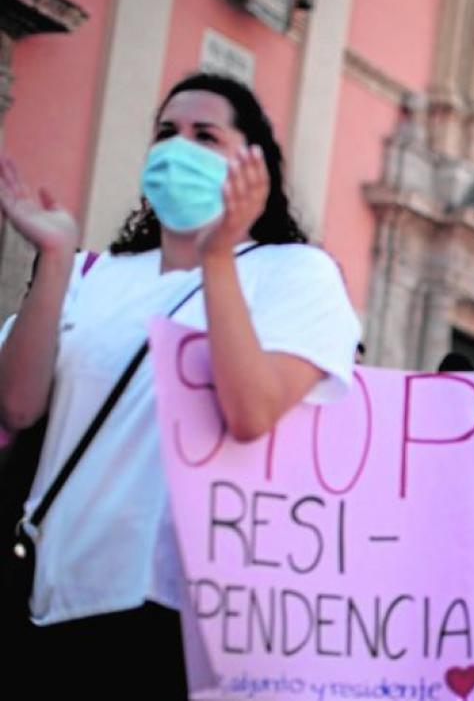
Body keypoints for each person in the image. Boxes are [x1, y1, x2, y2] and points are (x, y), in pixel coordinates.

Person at [0, 73, 360, 695]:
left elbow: (251, 411)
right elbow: (17, 404)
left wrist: (216, 256)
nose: (177, 148)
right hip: (52, 598)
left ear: (253, 163)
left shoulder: (294, 273)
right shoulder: (96, 273)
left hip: (178, 620)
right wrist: (55, 262)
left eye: (204, 136)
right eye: (166, 133)